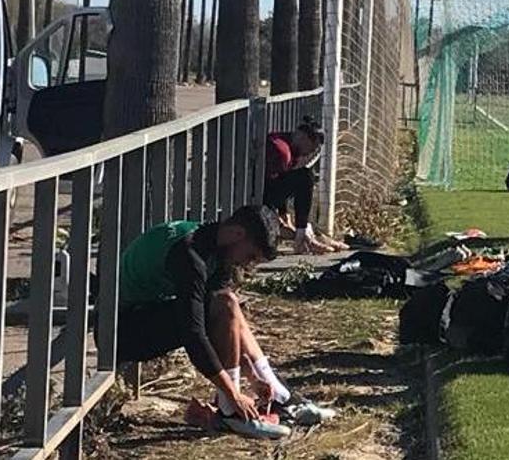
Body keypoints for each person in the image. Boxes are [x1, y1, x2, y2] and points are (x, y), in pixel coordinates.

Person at [108, 205, 336, 439]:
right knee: (225, 303)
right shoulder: (189, 255)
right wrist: (233, 394)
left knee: (229, 303)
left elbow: (223, 326)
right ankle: (231, 412)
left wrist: (252, 376)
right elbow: (193, 334)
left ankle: (280, 395)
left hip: (148, 312)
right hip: (118, 331)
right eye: (250, 256)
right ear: (237, 234)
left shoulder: (213, 244)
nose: (247, 264)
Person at [264, 117, 346, 254]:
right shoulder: (282, 151)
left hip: (265, 192)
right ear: (303, 137)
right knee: (305, 177)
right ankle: (302, 237)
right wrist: (276, 219)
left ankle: (311, 234)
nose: (312, 152)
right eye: (313, 146)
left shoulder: (289, 146)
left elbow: (278, 181)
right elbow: (267, 186)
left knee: (303, 177)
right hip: (257, 197)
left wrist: (284, 213)